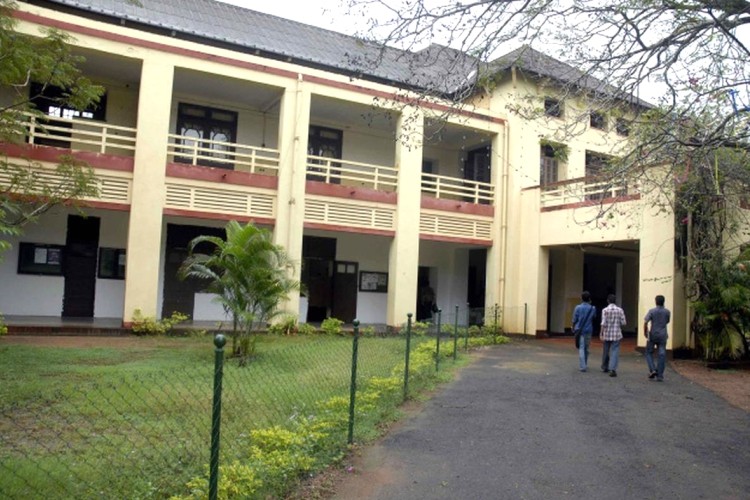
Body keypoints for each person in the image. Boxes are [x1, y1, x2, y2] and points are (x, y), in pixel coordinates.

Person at [643, 295, 671, 381]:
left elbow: (646, 321)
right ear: (664, 301)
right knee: (662, 354)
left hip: (653, 334)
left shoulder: (652, 311)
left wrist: (645, 331)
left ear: (656, 302)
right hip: (663, 334)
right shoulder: (667, 312)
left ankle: (653, 369)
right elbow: (667, 321)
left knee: (648, 352)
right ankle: (660, 375)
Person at [600, 294, 626, 377]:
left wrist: (601, 333)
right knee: (615, 351)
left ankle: (605, 366)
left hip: (607, 333)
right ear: (615, 301)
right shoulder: (620, 310)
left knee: (606, 350)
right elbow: (624, 322)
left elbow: (603, 323)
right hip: (616, 333)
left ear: (608, 301)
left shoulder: (605, 310)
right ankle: (612, 369)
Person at [572, 291, 596, 372]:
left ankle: (582, 366)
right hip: (589, 329)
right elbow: (594, 317)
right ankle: (585, 363)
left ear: (581, 298)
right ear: (589, 299)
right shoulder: (592, 308)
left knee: (581, 348)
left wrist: (573, 326)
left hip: (579, 330)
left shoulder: (577, 307)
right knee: (586, 347)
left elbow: (575, 319)